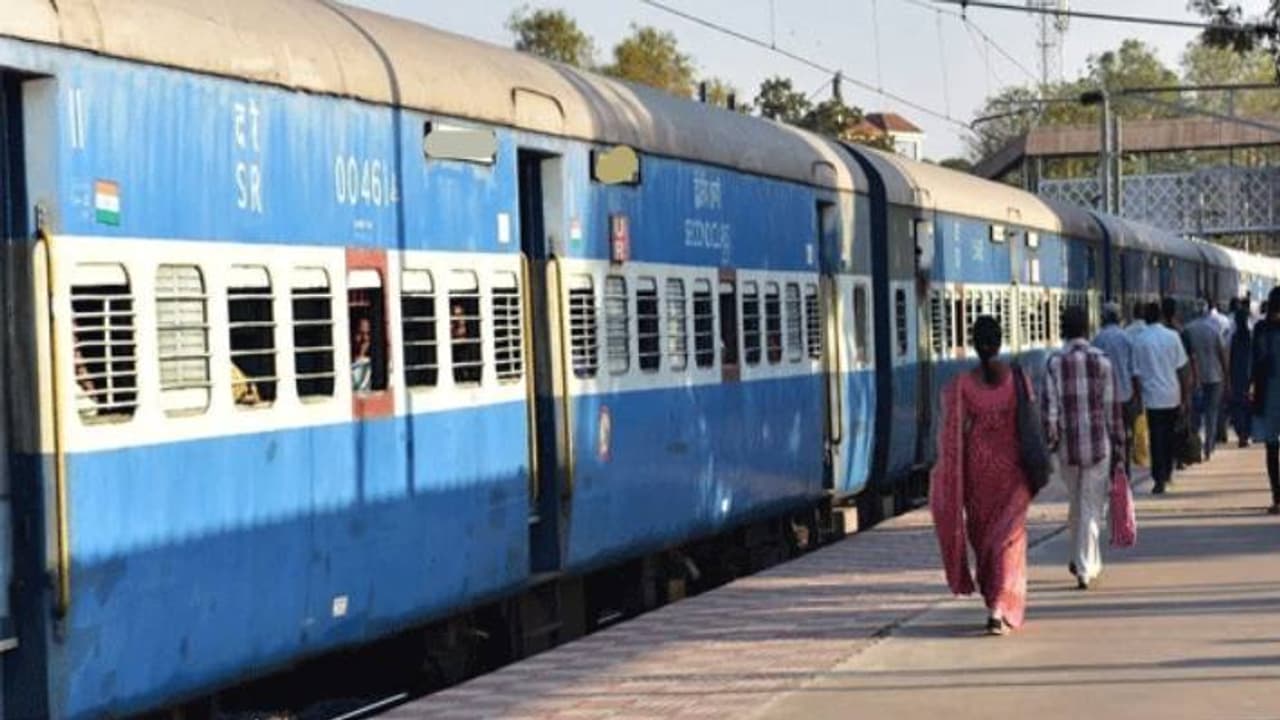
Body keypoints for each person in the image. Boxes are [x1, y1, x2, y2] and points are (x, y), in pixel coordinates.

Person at [929, 316, 1032, 636]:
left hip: (978, 474)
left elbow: (950, 434)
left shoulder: (962, 386)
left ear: (974, 345)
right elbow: (1032, 422)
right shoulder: (1018, 380)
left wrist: (948, 476)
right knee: (1009, 540)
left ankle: (993, 601)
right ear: (1000, 344)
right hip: (1013, 473)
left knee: (985, 540)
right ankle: (1000, 606)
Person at [1046, 306, 1125, 590]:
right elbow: (1111, 409)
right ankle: (1084, 566)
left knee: (1076, 503)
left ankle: (1083, 557)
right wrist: (1119, 443)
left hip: (1067, 448)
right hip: (1098, 445)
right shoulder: (1102, 361)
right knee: (1091, 505)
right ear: (1087, 328)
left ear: (1064, 329)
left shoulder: (1055, 363)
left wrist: (1052, 441)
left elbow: (1050, 411)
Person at [1132, 300, 1191, 494]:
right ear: (1160, 316)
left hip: (1152, 398)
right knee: (1170, 435)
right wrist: (1185, 397)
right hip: (1172, 395)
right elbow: (1182, 369)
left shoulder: (1139, 340)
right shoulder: (1173, 337)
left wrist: (1138, 398)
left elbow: (1136, 374)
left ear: (1145, 318)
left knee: (1156, 438)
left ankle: (1159, 478)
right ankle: (1167, 471)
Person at [1093, 302, 1140, 478]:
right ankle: (1124, 469)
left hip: (1104, 397)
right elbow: (1134, 370)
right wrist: (1138, 395)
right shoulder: (1127, 338)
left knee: (1107, 436)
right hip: (1125, 395)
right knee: (1126, 434)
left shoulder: (1097, 339)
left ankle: (1111, 470)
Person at [1184, 300, 1229, 461]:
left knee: (1195, 413)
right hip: (1215, 376)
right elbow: (1222, 353)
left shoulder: (1188, 330)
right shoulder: (1214, 329)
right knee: (1212, 412)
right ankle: (1209, 446)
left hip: (1195, 377)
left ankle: (1194, 444)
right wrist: (1226, 375)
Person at [1249, 287, 1280, 515]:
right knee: (1271, 448)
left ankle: (1277, 498)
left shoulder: (1261, 329)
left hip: (1268, 394)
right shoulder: (1261, 329)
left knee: (1272, 449)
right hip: (1269, 393)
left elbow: (1255, 361)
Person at [1229, 305, 1252, 448]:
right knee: (1248, 405)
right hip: (1249, 374)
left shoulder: (1234, 338)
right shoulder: (1250, 336)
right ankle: (1246, 433)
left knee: (1237, 406)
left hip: (1236, 374)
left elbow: (1230, 357)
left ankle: (1241, 433)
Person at [351, 317, 373, 392]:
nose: (365, 338)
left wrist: (361, 355)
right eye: (360, 333)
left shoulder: (371, 365)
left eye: (368, 334)